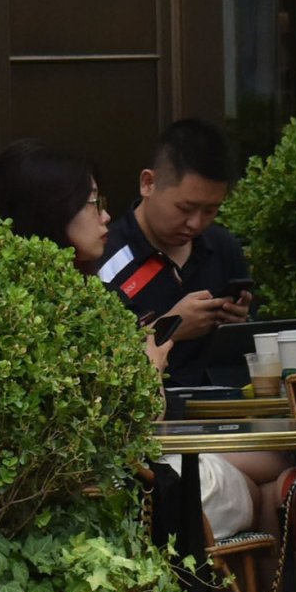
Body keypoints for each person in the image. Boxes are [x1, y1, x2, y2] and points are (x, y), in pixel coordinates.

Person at [101, 119, 256, 390]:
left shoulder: (223, 247)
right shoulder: (105, 255)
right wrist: (170, 328)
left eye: (210, 211)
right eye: (185, 208)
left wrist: (238, 324)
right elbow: (94, 359)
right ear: (148, 183)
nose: (196, 223)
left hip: (222, 412)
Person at [0, 139, 112, 268]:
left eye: (100, 201)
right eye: (92, 202)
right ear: (51, 212)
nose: (105, 216)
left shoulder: (105, 294)